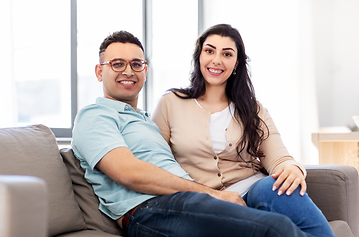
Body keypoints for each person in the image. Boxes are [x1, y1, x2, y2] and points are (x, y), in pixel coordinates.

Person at [71, 30, 314, 237]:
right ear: (99, 72)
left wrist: (291, 166)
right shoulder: (94, 115)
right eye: (117, 64)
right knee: (276, 229)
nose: (128, 71)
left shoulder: (144, 120)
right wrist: (212, 195)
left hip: (185, 202)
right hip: (150, 209)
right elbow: (129, 173)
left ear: (145, 71)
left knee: (281, 215)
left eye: (137, 64)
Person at [152, 24, 335, 237]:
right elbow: (155, 161)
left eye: (227, 54)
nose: (216, 60)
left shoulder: (252, 108)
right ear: (199, 56)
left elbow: (278, 156)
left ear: (236, 62)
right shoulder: (170, 103)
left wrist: (292, 168)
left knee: (276, 187)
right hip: (204, 202)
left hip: (253, 189)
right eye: (209, 51)